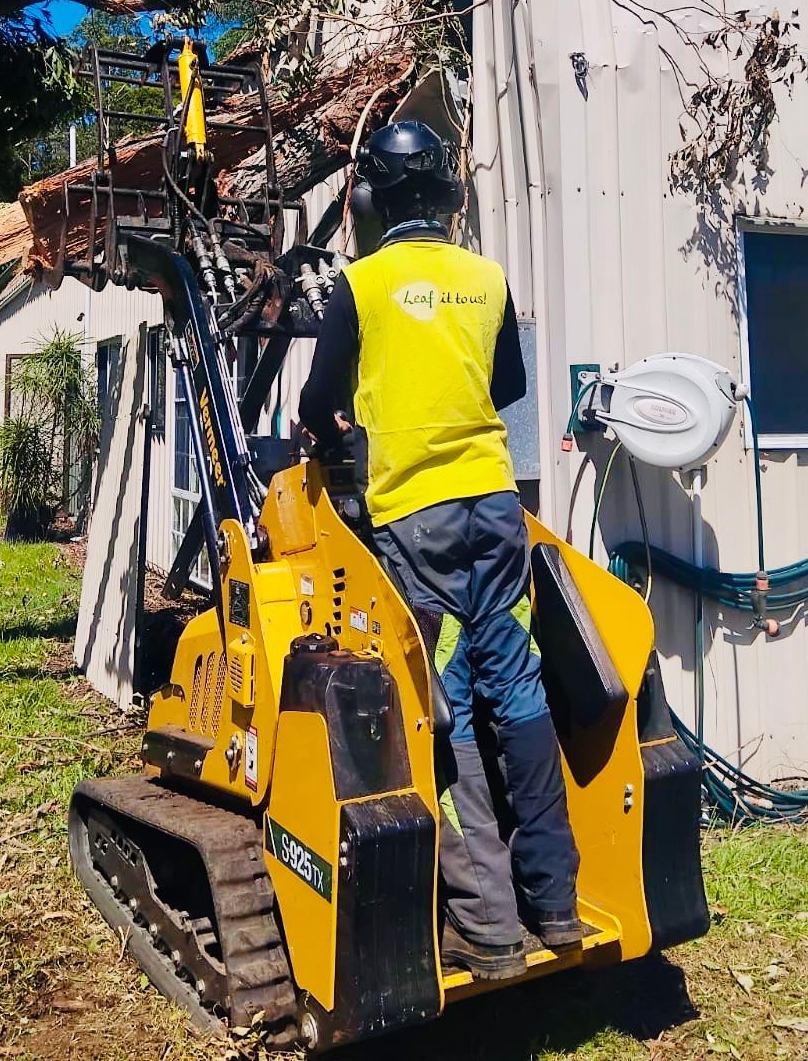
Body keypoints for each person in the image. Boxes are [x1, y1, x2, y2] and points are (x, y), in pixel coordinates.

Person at [299, 121, 585, 979]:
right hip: (495, 511)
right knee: (517, 686)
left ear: (372, 201)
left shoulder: (361, 283)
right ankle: (557, 904)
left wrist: (329, 426)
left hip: (414, 524)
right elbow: (506, 388)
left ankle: (490, 927)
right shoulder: (486, 277)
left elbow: (321, 398)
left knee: (441, 702)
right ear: (447, 198)